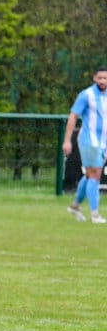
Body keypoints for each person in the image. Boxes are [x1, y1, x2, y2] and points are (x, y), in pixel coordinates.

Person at [62, 66, 107, 224]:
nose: (102, 81)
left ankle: (75, 206)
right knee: (95, 174)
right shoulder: (86, 95)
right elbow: (73, 116)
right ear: (94, 78)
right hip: (89, 139)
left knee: (90, 175)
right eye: (100, 78)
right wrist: (67, 140)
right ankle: (95, 214)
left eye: (105, 78)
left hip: (103, 142)